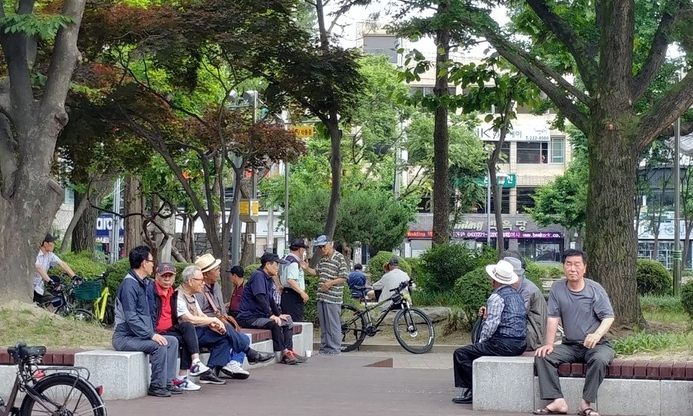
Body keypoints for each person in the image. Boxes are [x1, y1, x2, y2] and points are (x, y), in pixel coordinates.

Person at [533, 249, 615, 416]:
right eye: (568, 264)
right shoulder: (557, 288)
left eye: (577, 264)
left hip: (596, 345)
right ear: (563, 267)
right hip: (570, 344)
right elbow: (553, 318)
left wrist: (596, 335)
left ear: (584, 267)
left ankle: (586, 404)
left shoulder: (595, 289)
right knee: (543, 356)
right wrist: (548, 344)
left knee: (599, 360)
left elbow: (608, 317)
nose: (572, 268)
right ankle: (557, 401)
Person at [177, 265, 274, 382]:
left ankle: (211, 371)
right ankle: (249, 353)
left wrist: (214, 324)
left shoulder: (196, 293)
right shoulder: (179, 295)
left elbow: (200, 314)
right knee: (229, 333)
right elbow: (189, 319)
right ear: (190, 281)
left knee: (224, 334)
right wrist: (212, 320)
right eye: (200, 280)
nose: (202, 283)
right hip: (188, 334)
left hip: (199, 330)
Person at [452, 259, 527, 405]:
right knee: (472, 352)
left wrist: (481, 342)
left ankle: (474, 389)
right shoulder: (517, 295)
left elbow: (491, 325)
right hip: (520, 343)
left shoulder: (496, 297)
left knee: (461, 353)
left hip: (503, 343)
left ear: (495, 280)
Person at [112, 245, 181, 397]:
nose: (153, 264)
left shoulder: (144, 283)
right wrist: (151, 335)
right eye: (151, 261)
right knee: (159, 345)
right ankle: (156, 386)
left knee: (172, 341)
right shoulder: (129, 285)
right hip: (124, 338)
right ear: (144, 263)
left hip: (137, 336)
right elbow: (131, 318)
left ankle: (168, 382)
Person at [146, 262, 212, 391]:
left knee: (188, 328)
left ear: (174, 277)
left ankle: (194, 365)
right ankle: (182, 377)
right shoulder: (151, 292)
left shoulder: (173, 293)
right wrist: (152, 333)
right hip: (156, 331)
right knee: (184, 336)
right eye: (164, 275)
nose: (167, 279)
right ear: (157, 276)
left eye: (170, 276)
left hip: (170, 329)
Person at [237, 252, 305, 365]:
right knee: (274, 324)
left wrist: (278, 314)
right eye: (276, 265)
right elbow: (260, 297)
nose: (278, 268)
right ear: (268, 264)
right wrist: (271, 315)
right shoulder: (258, 275)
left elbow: (271, 300)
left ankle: (289, 350)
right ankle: (283, 353)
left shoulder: (268, 279)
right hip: (249, 317)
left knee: (287, 320)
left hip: (260, 315)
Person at [304, 235, 349, 355]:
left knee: (333, 324)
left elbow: (344, 276)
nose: (321, 249)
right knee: (324, 325)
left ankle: (334, 348)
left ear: (331, 244)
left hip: (333, 298)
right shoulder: (322, 259)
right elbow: (316, 272)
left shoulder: (339, 258)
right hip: (322, 297)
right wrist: (306, 268)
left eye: (323, 246)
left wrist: (330, 283)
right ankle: (325, 347)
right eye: (319, 247)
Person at [503, 253, 547, 351]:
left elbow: (514, 316)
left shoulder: (527, 290)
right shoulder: (515, 286)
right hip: (522, 333)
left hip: (532, 337)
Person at [34, 234, 76, 305]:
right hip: (31, 287)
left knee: (55, 302)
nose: (54, 244)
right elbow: (38, 268)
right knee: (51, 302)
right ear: (45, 244)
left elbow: (62, 264)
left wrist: (74, 276)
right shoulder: (36, 254)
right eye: (52, 242)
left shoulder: (50, 255)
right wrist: (50, 281)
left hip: (39, 287)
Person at [280, 239, 310, 321]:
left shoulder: (284, 258)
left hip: (285, 293)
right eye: (304, 249)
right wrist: (302, 293)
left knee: (286, 322)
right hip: (293, 295)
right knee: (295, 322)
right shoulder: (294, 262)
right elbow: (291, 280)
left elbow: (277, 274)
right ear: (300, 249)